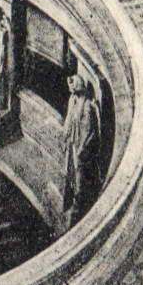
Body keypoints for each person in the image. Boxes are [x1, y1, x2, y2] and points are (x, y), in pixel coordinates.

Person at [62, 73, 101, 230]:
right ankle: (72, 207)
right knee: (70, 175)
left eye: (74, 88)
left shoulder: (87, 107)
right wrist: (66, 135)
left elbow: (89, 132)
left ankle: (77, 215)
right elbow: (69, 121)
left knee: (80, 182)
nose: (72, 91)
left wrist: (82, 151)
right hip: (73, 145)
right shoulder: (73, 100)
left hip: (81, 149)